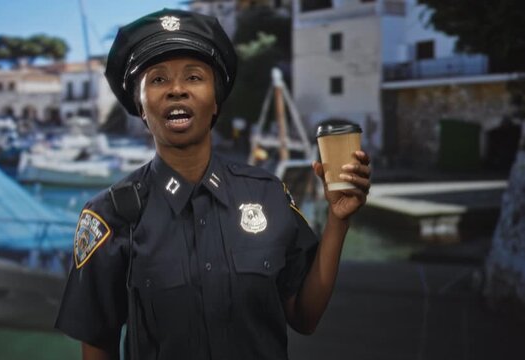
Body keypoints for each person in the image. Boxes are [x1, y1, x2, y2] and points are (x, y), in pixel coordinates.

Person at [55, 9, 371, 360]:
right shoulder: (109, 216)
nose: (176, 90)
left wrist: (338, 221)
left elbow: (305, 316)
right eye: (157, 80)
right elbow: (98, 346)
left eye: (193, 77)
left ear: (216, 100)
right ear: (141, 107)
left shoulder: (267, 194)